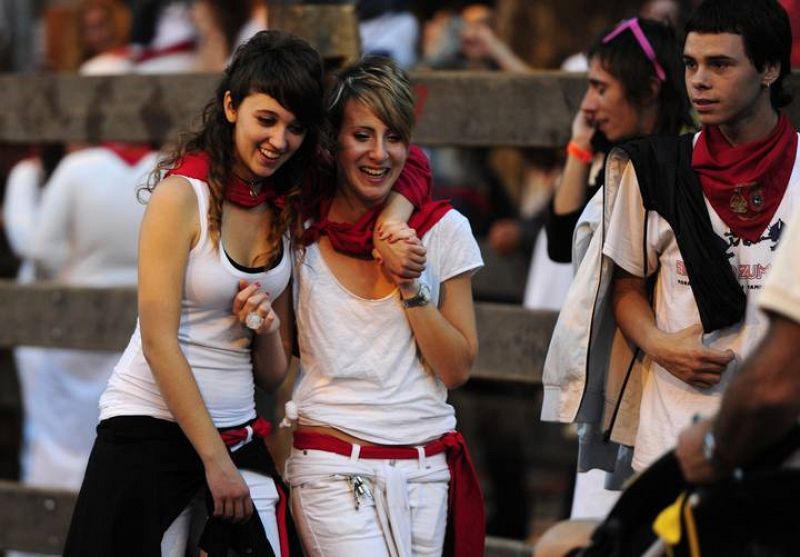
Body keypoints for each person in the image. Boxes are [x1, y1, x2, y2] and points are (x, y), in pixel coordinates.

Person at [63, 29, 430, 556]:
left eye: (295, 127)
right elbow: (158, 343)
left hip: (238, 433)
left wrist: (266, 329)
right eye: (267, 119)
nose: (279, 140)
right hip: (152, 427)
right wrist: (215, 463)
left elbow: (272, 375)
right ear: (232, 106)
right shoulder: (180, 196)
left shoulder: (287, 198)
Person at [281, 56, 486, 557]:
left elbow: (457, 368)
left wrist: (409, 283)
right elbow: (281, 353)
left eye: (394, 137)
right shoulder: (298, 227)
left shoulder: (444, 229)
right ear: (334, 140)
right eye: (362, 135)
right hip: (331, 461)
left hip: (425, 468)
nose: (379, 153)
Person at [540, 15, 692, 519]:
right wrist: (579, 144)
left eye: (601, 88)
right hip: (617, 368)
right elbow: (559, 242)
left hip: (664, 374)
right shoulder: (613, 164)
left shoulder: (683, 164)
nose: (589, 103)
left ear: (649, 89)